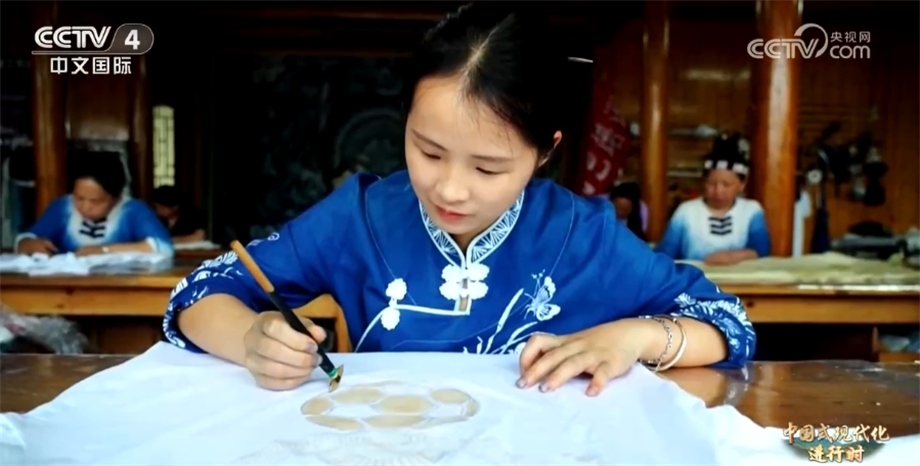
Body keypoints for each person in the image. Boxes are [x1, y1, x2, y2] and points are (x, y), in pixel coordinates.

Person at [163, 4, 755, 397]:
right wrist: (251, 340)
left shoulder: (582, 234)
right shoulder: (359, 217)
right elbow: (198, 295)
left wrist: (632, 337)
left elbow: (727, 324)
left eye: (487, 167)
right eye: (428, 150)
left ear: (545, 152)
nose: (449, 188)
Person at [14, 152, 174, 257]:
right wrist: (27, 243)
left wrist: (104, 251)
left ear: (116, 197)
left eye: (95, 201)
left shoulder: (132, 210)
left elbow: (163, 247)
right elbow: (27, 237)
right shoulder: (63, 207)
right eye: (79, 198)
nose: (85, 207)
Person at [655, 135, 770, 265]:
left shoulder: (751, 210)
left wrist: (730, 257)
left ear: (742, 185)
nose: (718, 191)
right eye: (711, 183)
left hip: (740, 277)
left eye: (726, 185)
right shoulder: (686, 211)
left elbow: (762, 250)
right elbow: (665, 253)